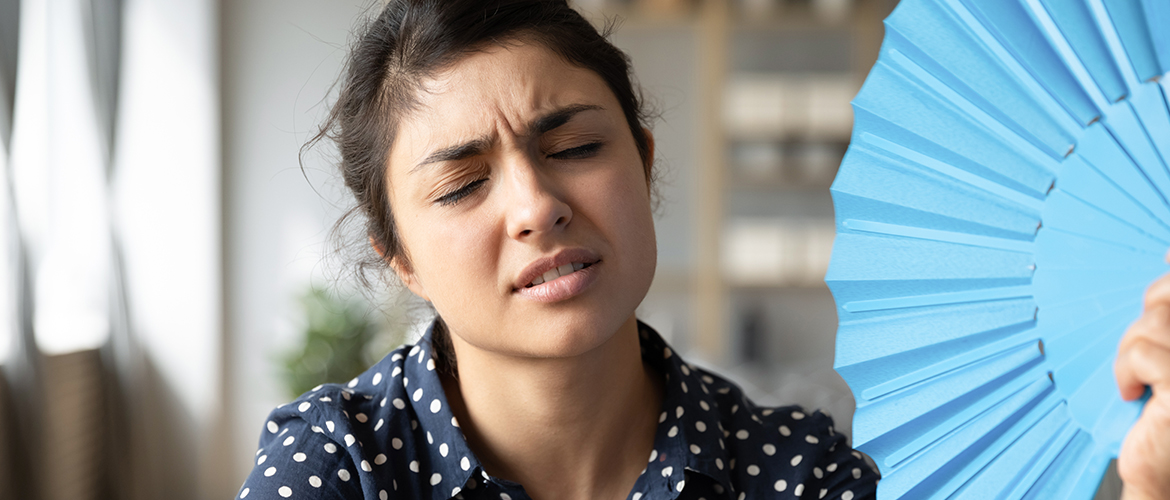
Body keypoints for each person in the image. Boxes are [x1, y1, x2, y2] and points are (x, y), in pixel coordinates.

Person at [236, 1, 1170, 499]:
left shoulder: (802, 477)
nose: (536, 205)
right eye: (461, 184)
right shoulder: (338, 467)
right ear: (396, 255)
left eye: (573, 148)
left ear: (642, 162)